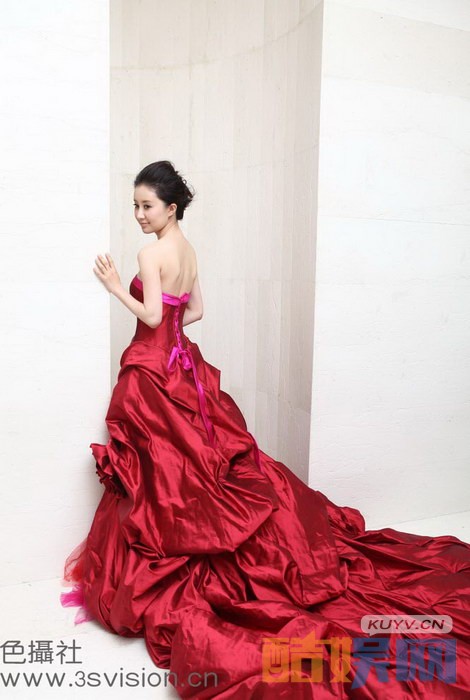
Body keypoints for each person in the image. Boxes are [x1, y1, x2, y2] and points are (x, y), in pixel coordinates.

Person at [60, 160, 470, 698]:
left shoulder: (150, 254)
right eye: (135, 206)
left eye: (147, 205)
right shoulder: (188, 250)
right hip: (183, 371)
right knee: (186, 468)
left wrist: (117, 287)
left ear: (171, 207)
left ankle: (163, 561)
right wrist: (171, 334)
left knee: (160, 474)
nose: (139, 214)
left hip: (152, 372)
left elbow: (155, 319)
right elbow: (194, 312)